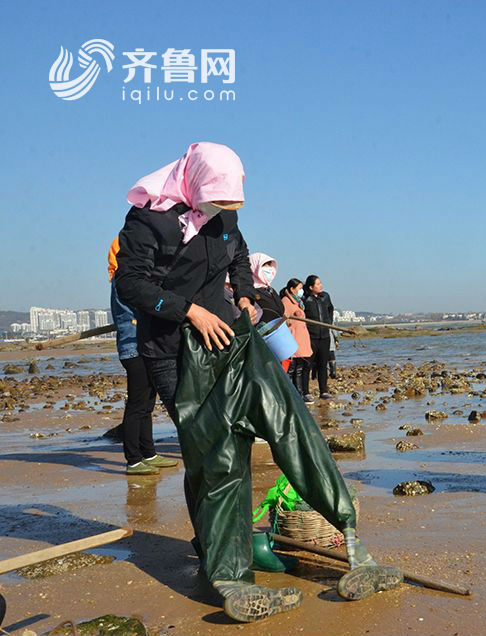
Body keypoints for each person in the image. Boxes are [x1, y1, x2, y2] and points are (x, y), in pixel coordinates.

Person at [115, 142, 399, 622]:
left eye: (233, 205)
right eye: (219, 203)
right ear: (195, 184)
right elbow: (130, 285)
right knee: (213, 453)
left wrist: (245, 295)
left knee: (289, 423)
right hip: (170, 351)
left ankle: (347, 536)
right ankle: (223, 566)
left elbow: (238, 253)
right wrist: (189, 311)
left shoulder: (226, 219)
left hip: (229, 341)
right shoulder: (149, 222)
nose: (227, 213)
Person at [108, 237, 178, 476]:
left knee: (147, 404)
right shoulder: (124, 278)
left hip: (145, 346)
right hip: (133, 348)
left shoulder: (134, 276)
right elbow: (143, 304)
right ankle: (133, 460)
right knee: (137, 404)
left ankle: (149, 453)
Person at [281, 278, 314, 403]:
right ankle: (293, 395)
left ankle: (299, 394)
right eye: (299, 288)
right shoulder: (286, 301)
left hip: (302, 338)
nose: (301, 291)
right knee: (292, 368)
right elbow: (283, 320)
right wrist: (293, 317)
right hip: (294, 338)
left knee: (300, 367)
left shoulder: (299, 302)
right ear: (292, 289)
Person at [303, 275, 334, 399]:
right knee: (307, 365)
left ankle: (324, 391)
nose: (321, 285)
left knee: (323, 364)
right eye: (318, 284)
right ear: (311, 287)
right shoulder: (305, 298)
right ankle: (306, 392)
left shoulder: (325, 296)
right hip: (311, 336)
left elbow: (330, 309)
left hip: (325, 335)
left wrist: (328, 323)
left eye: (321, 283)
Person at [249, 253, 284, 325]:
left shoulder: (270, 290)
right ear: (254, 267)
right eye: (265, 265)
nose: (269, 268)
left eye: (270, 265)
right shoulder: (248, 291)